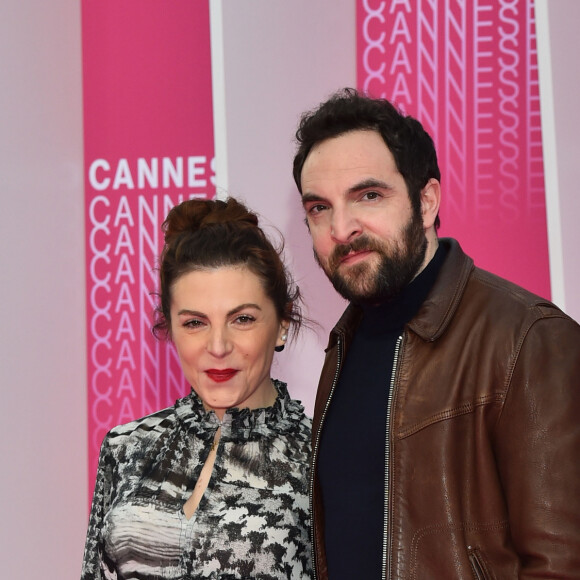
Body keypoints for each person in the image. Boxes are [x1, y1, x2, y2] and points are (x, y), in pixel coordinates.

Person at [292, 88, 580, 578]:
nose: (342, 228)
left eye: (368, 196)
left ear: (426, 202)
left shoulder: (528, 338)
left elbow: (563, 563)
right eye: (320, 208)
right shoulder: (343, 349)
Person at [81, 198, 313, 579]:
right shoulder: (126, 447)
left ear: (282, 323)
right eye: (194, 323)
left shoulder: (319, 459)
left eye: (242, 319)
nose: (218, 347)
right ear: (169, 327)